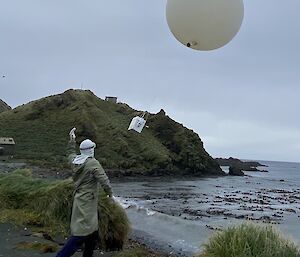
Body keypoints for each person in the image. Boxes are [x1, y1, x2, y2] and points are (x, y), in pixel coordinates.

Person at [56, 128, 113, 257]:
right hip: (88, 202)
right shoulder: (93, 163)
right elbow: (104, 179)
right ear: (91, 150)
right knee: (80, 234)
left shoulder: (75, 160)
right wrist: (110, 194)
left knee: (91, 233)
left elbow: (69, 153)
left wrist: (72, 140)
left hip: (79, 199)